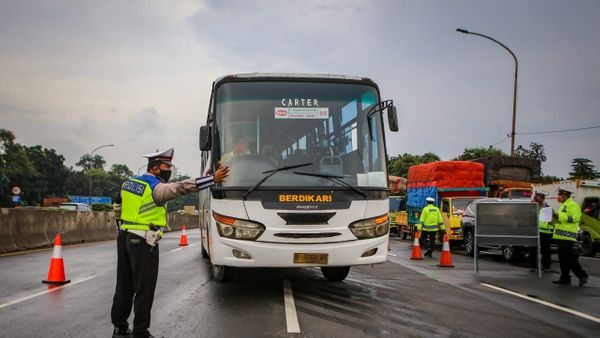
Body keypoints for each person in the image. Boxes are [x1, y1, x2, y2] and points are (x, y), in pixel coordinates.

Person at [111, 148, 229, 338]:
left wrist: (127, 223)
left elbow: (117, 207)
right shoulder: (155, 187)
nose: (170, 170)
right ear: (156, 169)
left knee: (124, 286)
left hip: (124, 236)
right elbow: (180, 187)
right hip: (143, 240)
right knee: (144, 288)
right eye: (167, 167)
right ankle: (141, 332)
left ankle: (120, 329)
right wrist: (211, 179)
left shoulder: (129, 183)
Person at [552, 187, 588, 286]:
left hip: (568, 236)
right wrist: (553, 219)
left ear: (565, 195)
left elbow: (575, 218)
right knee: (562, 259)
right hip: (560, 236)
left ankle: (582, 275)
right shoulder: (564, 205)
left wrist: (560, 217)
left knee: (570, 259)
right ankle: (565, 278)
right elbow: (561, 221)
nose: (558, 197)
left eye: (560, 195)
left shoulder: (573, 205)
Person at [528, 192, 553, 272]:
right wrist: (531, 205)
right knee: (532, 249)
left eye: (539, 197)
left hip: (545, 232)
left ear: (543, 198)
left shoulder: (547, 208)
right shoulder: (533, 206)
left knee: (546, 250)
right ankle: (533, 266)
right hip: (534, 231)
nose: (538, 199)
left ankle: (546, 267)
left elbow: (550, 220)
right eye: (536, 197)